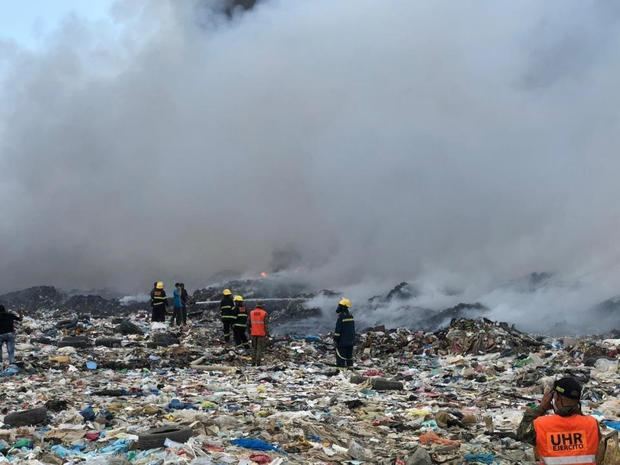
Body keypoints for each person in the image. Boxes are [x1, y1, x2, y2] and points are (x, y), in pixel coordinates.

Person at [516, 377, 603, 465]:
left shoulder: (541, 424)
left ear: (556, 398)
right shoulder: (592, 424)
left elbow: (521, 435)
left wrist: (542, 407)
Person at [334, 298, 355, 368]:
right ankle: (350, 370)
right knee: (349, 356)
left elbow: (338, 330)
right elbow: (352, 329)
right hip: (350, 341)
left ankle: (340, 371)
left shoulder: (341, 317)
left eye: (340, 305)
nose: (338, 307)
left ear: (343, 307)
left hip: (342, 342)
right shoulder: (351, 316)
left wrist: (335, 339)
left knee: (340, 357)